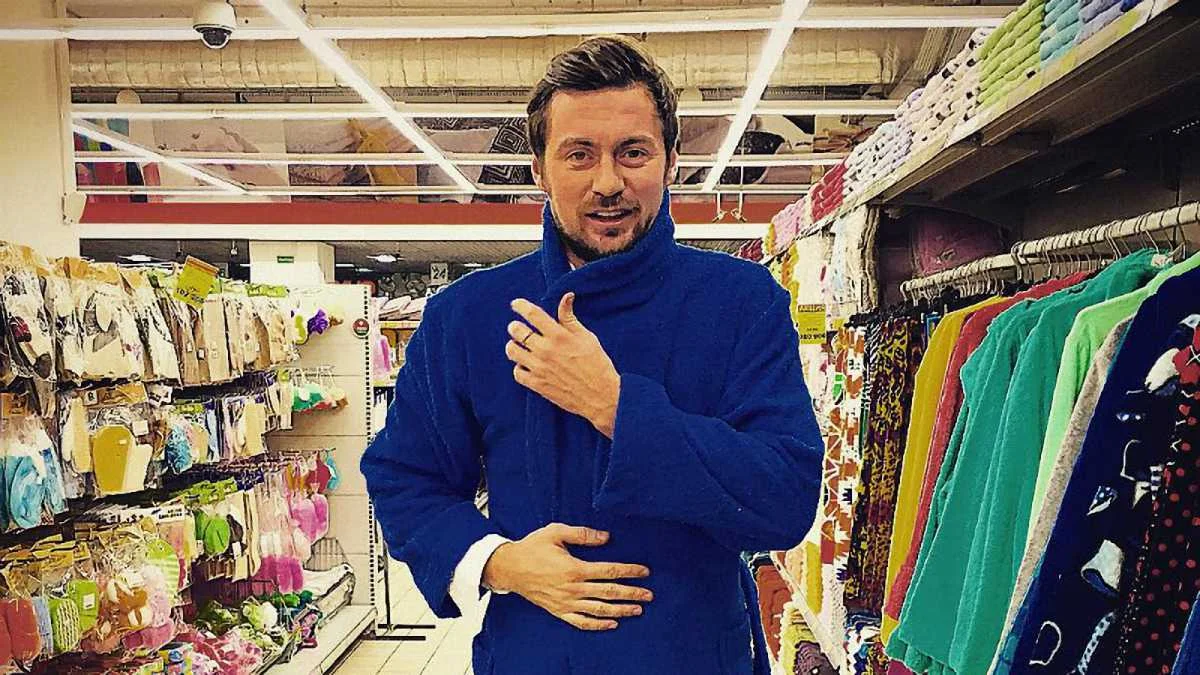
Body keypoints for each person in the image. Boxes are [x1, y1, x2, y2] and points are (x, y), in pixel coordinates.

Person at [362, 34, 823, 674]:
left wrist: (615, 407)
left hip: (694, 653)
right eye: (579, 155)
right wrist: (498, 561)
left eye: (633, 152)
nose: (608, 182)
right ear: (539, 171)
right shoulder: (466, 316)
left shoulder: (741, 301)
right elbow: (404, 478)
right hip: (535, 654)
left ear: (671, 162)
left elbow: (785, 498)